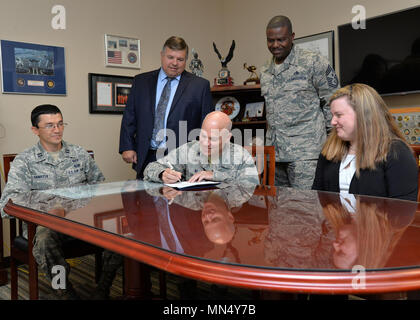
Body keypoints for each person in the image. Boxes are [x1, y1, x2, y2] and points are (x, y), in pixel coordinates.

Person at [0, 104, 105, 299]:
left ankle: (104, 288)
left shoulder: (79, 154)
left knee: (123, 234)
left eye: (60, 124)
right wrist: (49, 207)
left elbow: (99, 187)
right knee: (45, 240)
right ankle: (64, 291)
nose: (57, 130)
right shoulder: (25, 161)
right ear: (35, 130)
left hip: (82, 220)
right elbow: (7, 204)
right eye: (49, 126)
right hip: (44, 224)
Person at [260, 15, 340, 189]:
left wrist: (333, 144)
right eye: (270, 40)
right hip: (275, 153)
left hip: (306, 154)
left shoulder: (313, 62)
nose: (275, 45)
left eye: (281, 39)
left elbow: (333, 102)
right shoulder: (265, 69)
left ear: (292, 37)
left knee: (306, 209)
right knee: (279, 210)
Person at [119, 36, 213, 179]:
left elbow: (207, 124)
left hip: (183, 159)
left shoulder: (200, 86)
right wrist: (127, 147)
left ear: (186, 60)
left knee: (179, 199)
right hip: (146, 155)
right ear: (162, 55)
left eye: (180, 59)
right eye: (170, 57)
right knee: (145, 198)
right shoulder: (141, 81)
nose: (175, 63)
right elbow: (129, 116)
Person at [312, 83, 418, 201]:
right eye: (332, 115)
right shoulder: (329, 151)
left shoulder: (396, 152)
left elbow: (402, 212)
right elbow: (318, 200)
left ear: (362, 115)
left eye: (338, 115)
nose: (332, 122)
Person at [143, 111, 259, 185]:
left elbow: (251, 188)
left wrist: (214, 175)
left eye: (212, 139)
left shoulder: (241, 156)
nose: (205, 143)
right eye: (203, 136)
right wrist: (162, 174)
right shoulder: (189, 150)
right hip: (195, 213)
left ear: (227, 138)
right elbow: (150, 168)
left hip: (227, 208)